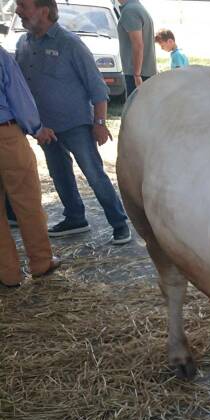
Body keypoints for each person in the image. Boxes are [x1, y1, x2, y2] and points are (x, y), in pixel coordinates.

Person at [14, 0, 131, 244]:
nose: (18, 11)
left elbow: (97, 87)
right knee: (60, 174)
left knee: (94, 174)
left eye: (24, 6)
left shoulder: (70, 44)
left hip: (77, 124)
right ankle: (75, 218)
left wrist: (99, 122)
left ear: (44, 10)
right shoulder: (23, 43)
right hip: (45, 128)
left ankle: (119, 222)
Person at [0, 45, 57, 288]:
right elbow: (18, 96)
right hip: (6, 135)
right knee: (27, 201)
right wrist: (36, 128)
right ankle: (41, 262)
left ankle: (7, 273)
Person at [116, 0, 156, 95]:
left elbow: (138, 45)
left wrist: (137, 75)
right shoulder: (136, 7)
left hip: (138, 74)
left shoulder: (130, 10)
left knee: (134, 108)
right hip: (143, 72)